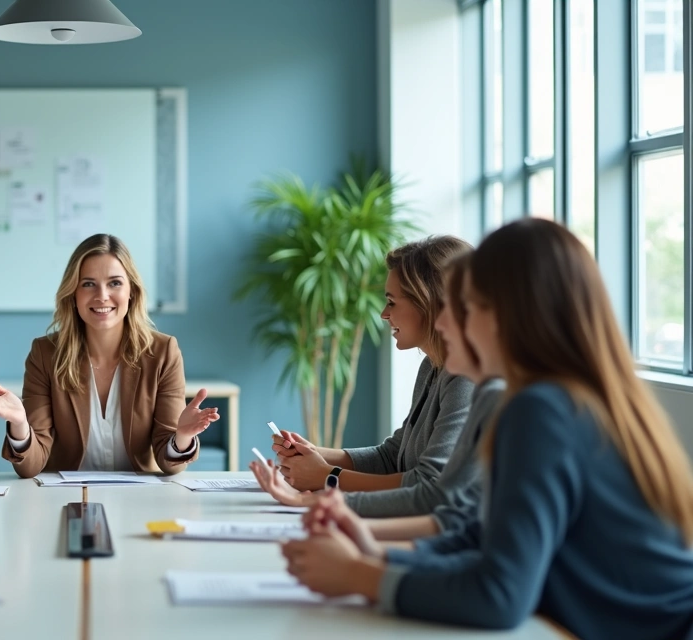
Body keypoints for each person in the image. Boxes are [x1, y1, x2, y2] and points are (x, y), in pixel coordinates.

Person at [282, 218, 693, 638]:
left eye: (466, 309)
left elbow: (499, 596)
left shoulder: (540, 410)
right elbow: (482, 537)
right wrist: (376, 558)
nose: (444, 324)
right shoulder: (555, 399)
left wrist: (358, 576)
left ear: (508, 316)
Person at [253, 250, 503, 540]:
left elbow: (428, 487)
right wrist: (316, 455)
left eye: (392, 302)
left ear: (431, 303)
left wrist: (327, 480)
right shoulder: (433, 366)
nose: (384, 314)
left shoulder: (467, 381)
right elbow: (393, 455)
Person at [0, 233, 218, 478]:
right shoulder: (45, 354)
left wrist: (183, 436)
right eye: (88, 283)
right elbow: (30, 467)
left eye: (115, 283)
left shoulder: (163, 352)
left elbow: (170, 464)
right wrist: (20, 425)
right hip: (65, 498)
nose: (102, 295)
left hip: (139, 500)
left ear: (131, 291)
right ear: (73, 295)